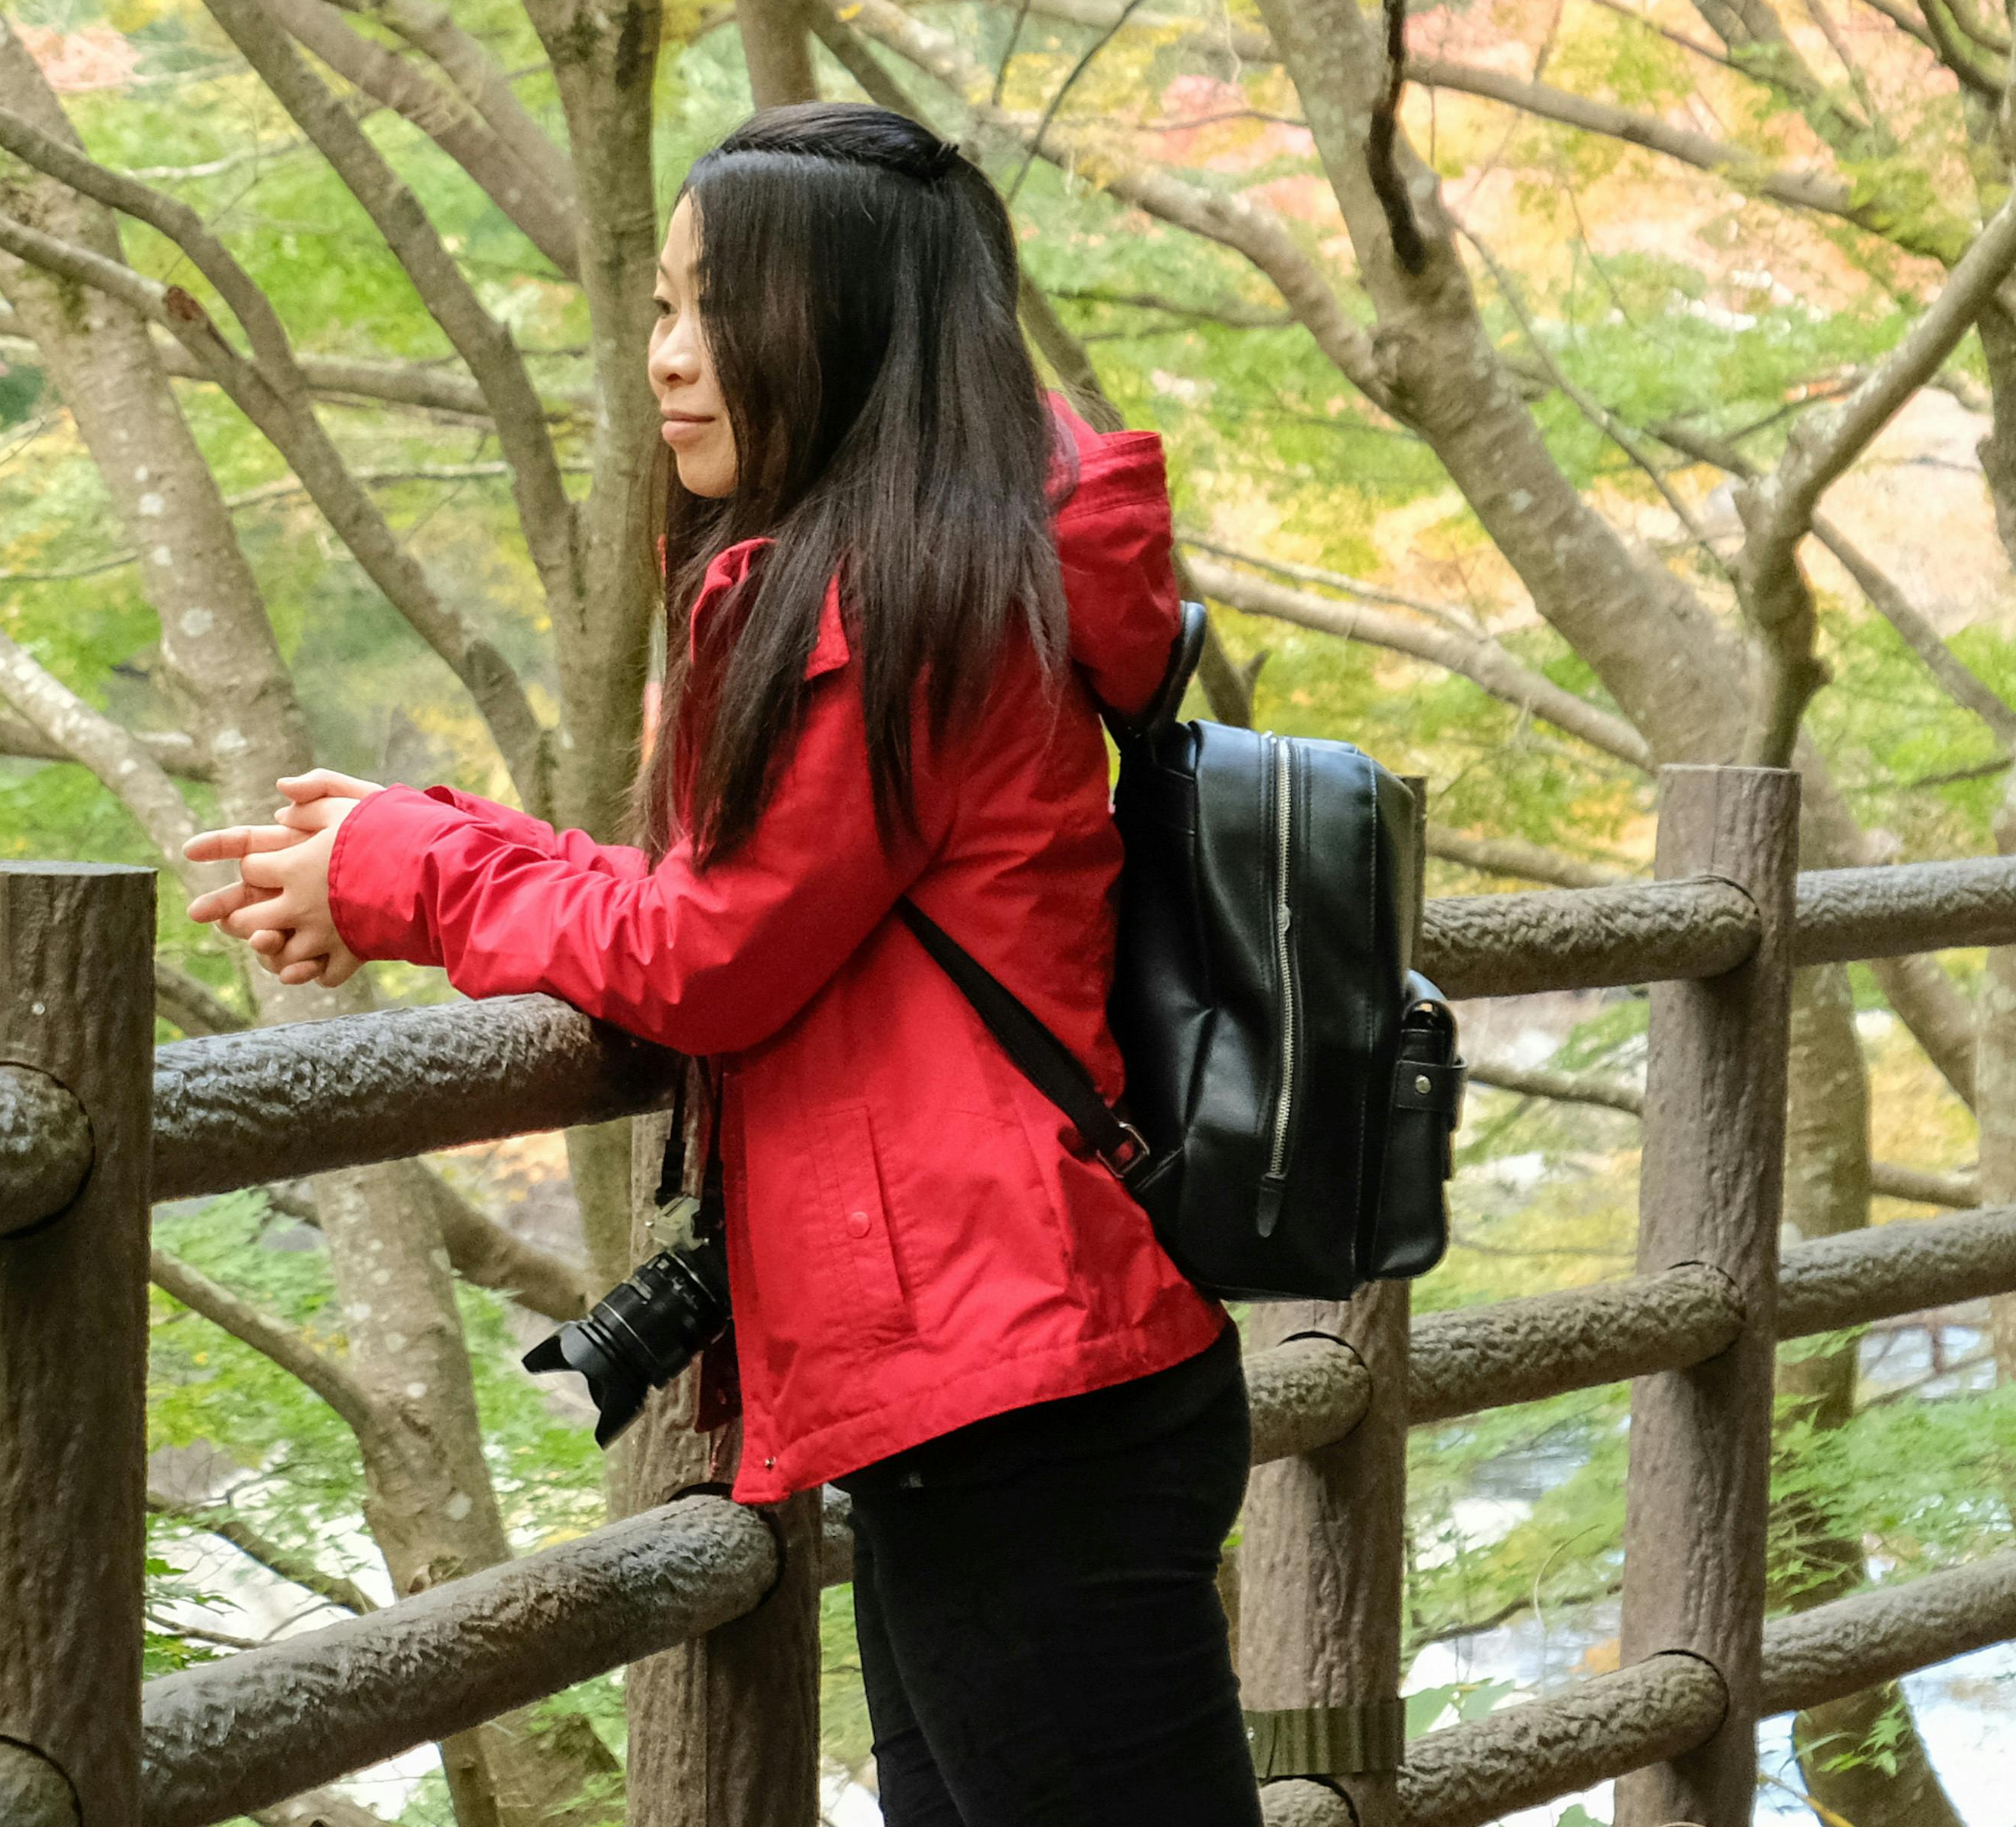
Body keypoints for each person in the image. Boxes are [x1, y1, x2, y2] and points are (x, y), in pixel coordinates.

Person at [183, 101, 1254, 1826]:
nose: (671, 360)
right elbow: (757, 895)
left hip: (1015, 1388)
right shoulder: (943, 573)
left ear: (842, 331)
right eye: (664, 310)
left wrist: (410, 873)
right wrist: (422, 844)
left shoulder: (890, 605)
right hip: (1008, 1365)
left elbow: (708, 958)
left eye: (716, 312)